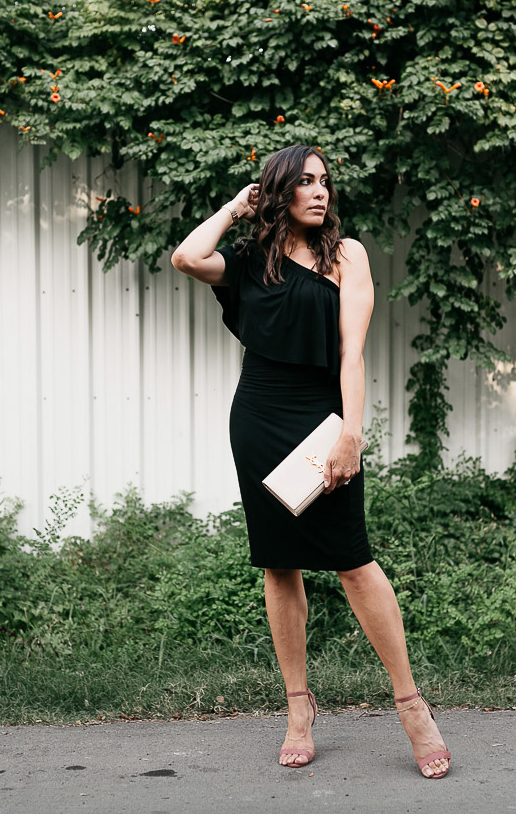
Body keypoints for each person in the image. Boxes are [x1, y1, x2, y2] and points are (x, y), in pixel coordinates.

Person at [169, 145, 452, 779]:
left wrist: (352, 434)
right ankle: (299, 709)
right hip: (260, 418)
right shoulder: (249, 261)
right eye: (304, 182)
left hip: (324, 418)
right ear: (278, 193)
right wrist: (238, 207)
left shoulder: (347, 256)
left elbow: (352, 355)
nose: (319, 192)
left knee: (354, 561)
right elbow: (186, 257)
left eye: (324, 181)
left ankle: (411, 705)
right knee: (279, 562)